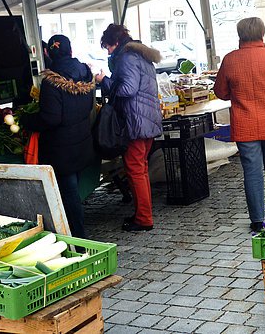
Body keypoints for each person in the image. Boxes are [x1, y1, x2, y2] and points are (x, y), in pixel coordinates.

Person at [213, 17, 265, 232]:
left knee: (251, 171)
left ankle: (257, 219)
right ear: (262, 33)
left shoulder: (230, 60)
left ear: (239, 35)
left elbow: (220, 92)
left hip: (245, 124)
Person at [20, 34, 95, 238]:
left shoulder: (51, 83)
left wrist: (26, 120)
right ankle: (75, 234)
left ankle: (80, 241)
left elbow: (50, 119)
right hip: (81, 144)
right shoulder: (86, 75)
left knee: (69, 197)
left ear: (47, 53)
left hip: (62, 150)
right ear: (71, 50)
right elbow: (89, 107)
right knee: (72, 193)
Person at [95, 24, 162, 232]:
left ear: (115, 42)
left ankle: (143, 219)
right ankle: (142, 213)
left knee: (135, 170)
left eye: (107, 47)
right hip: (146, 119)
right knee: (139, 169)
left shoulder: (126, 57)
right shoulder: (140, 56)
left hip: (135, 122)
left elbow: (127, 89)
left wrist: (103, 80)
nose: (107, 51)